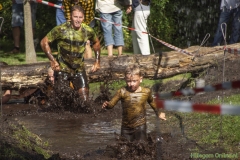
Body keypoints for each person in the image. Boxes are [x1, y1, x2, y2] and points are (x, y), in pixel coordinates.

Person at [40, 5, 101, 101]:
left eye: (80, 17)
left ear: (83, 18)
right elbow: (44, 42)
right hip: (62, 69)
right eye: (75, 17)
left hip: (79, 70)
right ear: (70, 17)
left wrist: (97, 61)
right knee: (60, 103)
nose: (78, 20)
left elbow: (96, 43)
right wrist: (52, 60)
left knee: (84, 102)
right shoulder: (61, 29)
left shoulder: (87, 31)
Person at [102, 64, 166, 142]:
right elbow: (111, 104)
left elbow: (152, 102)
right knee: (124, 148)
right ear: (125, 79)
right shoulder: (122, 91)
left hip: (140, 126)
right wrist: (107, 105)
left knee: (142, 146)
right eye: (128, 81)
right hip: (126, 127)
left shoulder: (146, 92)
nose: (131, 84)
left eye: (134, 81)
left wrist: (158, 113)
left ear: (141, 79)